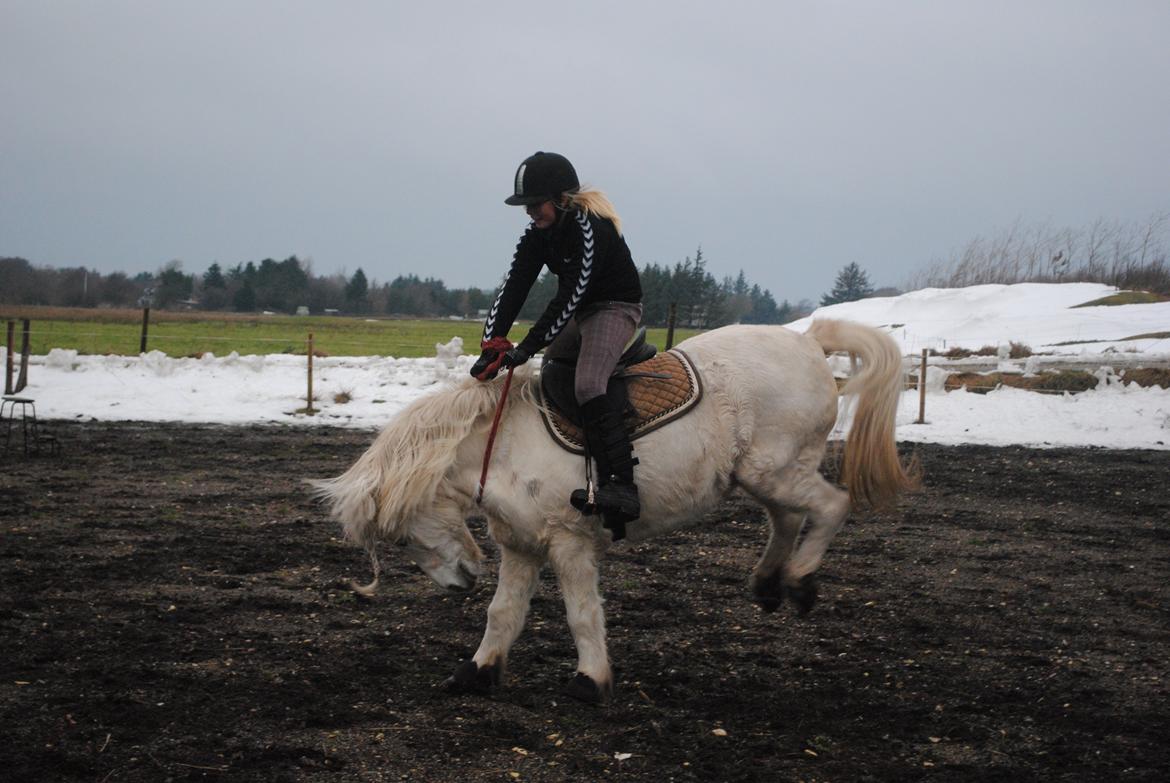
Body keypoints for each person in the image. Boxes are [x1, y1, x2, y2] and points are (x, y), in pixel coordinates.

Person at [470, 151, 644, 534]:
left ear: (562, 199)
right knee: (554, 371)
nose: (530, 213)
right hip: (583, 311)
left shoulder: (590, 228)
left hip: (615, 307)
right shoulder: (539, 236)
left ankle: (622, 487)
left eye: (535, 204)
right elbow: (514, 287)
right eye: (526, 206)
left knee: (588, 384)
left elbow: (569, 296)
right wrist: (491, 344)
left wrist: (525, 348)